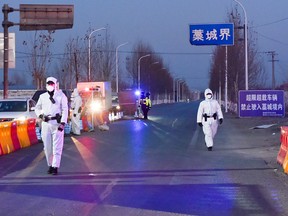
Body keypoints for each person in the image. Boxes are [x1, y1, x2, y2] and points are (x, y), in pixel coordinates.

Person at [35, 77, 68, 175]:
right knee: (47, 147)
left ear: (56, 84)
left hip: (57, 123)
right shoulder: (43, 96)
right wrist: (41, 115)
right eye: (48, 84)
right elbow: (37, 108)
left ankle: (55, 166)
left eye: (52, 84)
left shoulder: (61, 96)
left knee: (57, 146)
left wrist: (63, 122)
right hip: (46, 124)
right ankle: (50, 165)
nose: (50, 85)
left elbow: (65, 109)